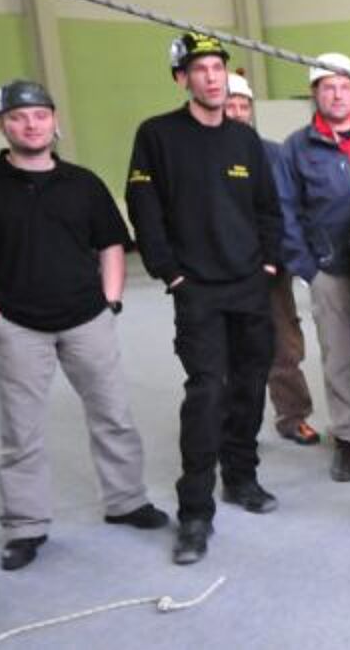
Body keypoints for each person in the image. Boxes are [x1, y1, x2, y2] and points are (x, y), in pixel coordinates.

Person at [0, 80, 168, 571]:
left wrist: (111, 302)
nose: (31, 125)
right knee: (20, 432)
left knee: (113, 414)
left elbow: (111, 243)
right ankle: (26, 525)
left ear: (54, 121)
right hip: (17, 325)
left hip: (87, 319)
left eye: (40, 115)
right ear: (2, 125)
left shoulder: (83, 183)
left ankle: (126, 500)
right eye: (19, 117)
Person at [127, 32, 281, 565]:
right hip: (196, 288)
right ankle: (195, 510)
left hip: (249, 284)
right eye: (200, 69)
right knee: (207, 393)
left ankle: (241, 476)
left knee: (251, 384)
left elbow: (267, 207)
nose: (213, 78)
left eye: (218, 68)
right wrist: (169, 273)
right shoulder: (157, 135)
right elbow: (143, 207)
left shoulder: (245, 140)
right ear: (181, 79)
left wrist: (268, 262)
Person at [279, 53, 350, 482]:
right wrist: (308, 268)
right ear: (315, 93)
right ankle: (347, 440)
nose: (337, 94)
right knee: (338, 360)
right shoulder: (297, 147)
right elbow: (285, 211)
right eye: (328, 87)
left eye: (344, 86)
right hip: (331, 270)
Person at [224, 73, 320, 446]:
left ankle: (293, 416)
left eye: (243, 106)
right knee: (231, 349)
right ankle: (236, 423)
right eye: (230, 105)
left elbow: (288, 209)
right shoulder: (201, 154)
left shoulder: (273, 154)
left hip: (269, 266)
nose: (237, 112)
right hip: (223, 270)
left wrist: (283, 257)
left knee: (284, 344)